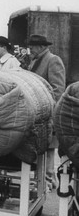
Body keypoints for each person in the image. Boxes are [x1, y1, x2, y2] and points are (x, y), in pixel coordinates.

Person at [27, 34, 66, 191]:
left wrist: (48, 109)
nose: (30, 50)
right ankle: (49, 180)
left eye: (32, 47)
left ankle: (48, 180)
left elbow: (58, 89)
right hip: (38, 113)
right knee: (42, 147)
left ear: (42, 47)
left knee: (49, 147)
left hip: (47, 112)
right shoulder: (35, 60)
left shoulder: (53, 60)